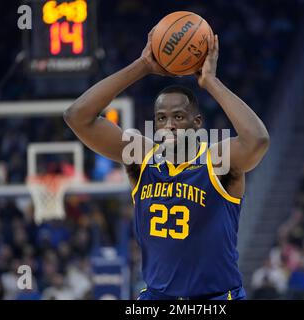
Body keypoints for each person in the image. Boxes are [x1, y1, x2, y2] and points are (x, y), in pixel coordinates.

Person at [64, 27, 270, 300]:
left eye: (179, 117)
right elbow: (77, 116)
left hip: (216, 299)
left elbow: (257, 140)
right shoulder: (142, 158)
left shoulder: (217, 161)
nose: (169, 125)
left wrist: (210, 82)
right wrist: (142, 66)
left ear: (197, 123)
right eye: (161, 118)